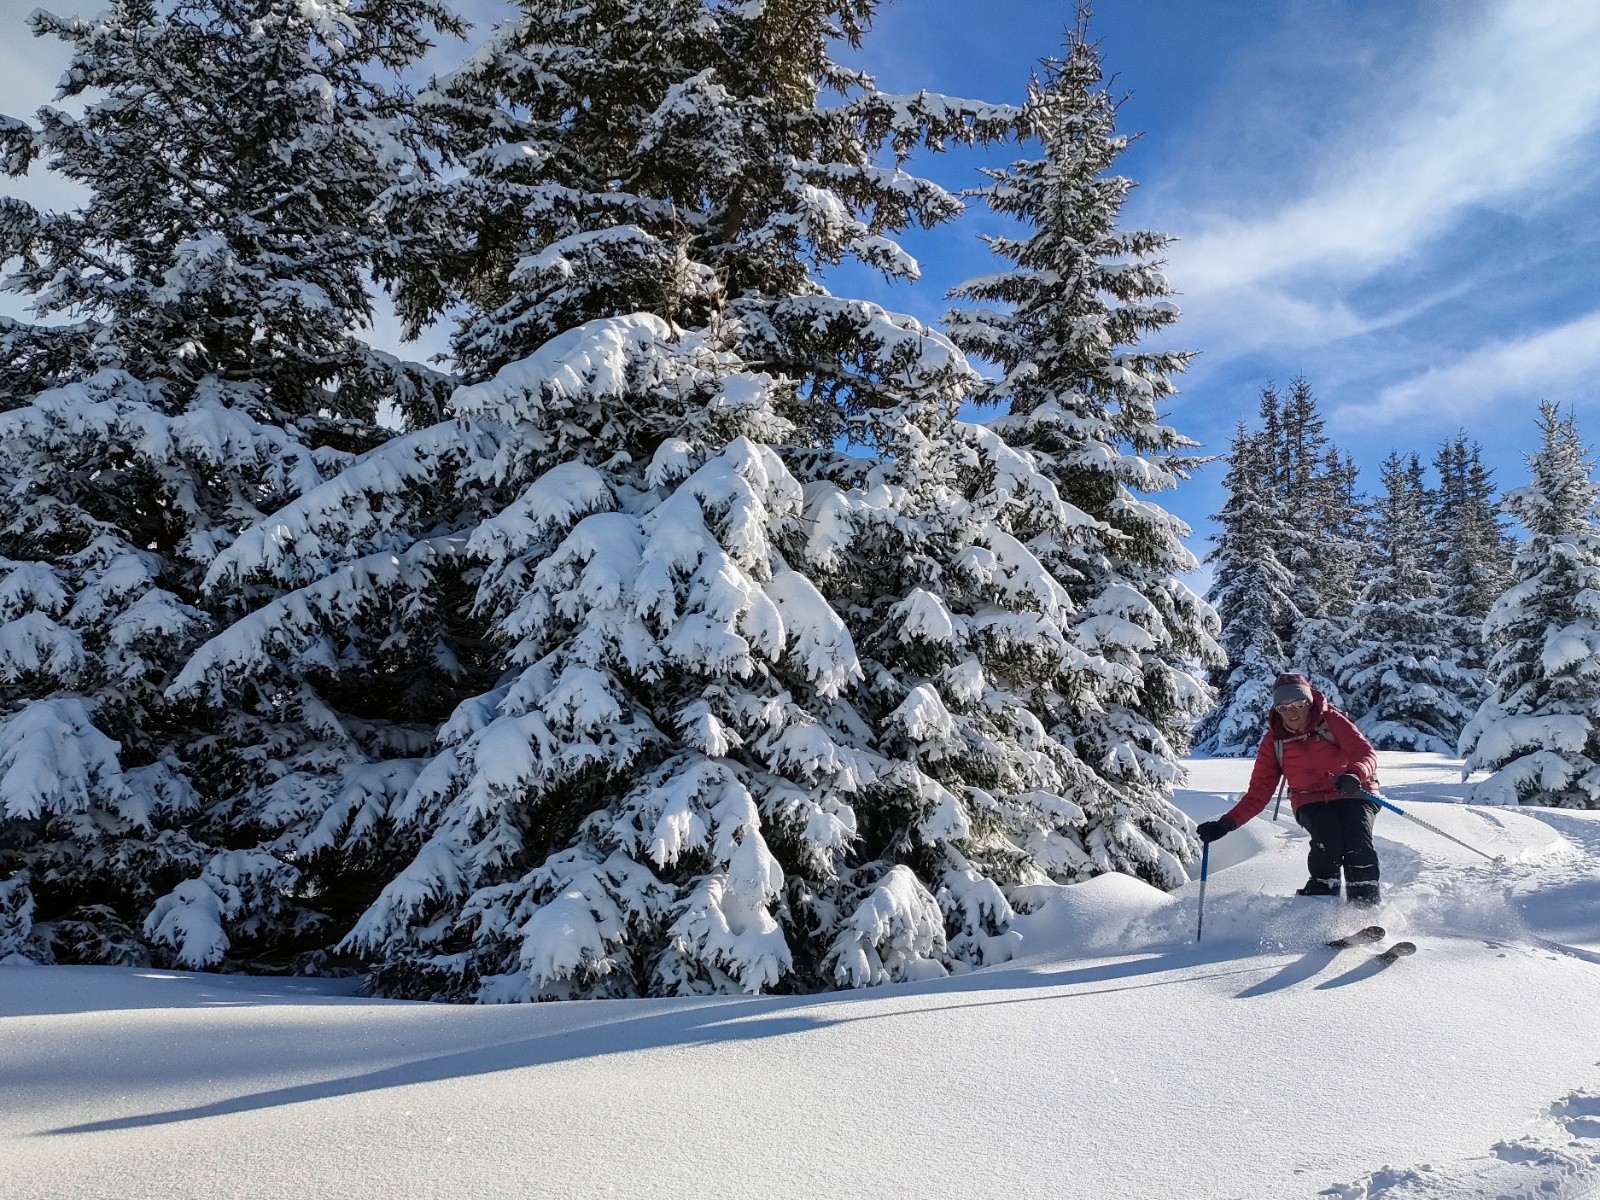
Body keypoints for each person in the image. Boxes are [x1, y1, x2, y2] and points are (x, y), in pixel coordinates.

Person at [1196, 672, 1384, 905]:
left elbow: (1365, 752)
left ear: (1308, 702)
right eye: (1282, 707)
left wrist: (1354, 774)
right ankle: (1319, 909)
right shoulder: (1274, 740)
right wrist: (1225, 824)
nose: (1291, 712)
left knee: (1357, 841)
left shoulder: (1332, 721)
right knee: (1328, 841)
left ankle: (1364, 910)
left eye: (1297, 704)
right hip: (1309, 799)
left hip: (1354, 791)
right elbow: (1259, 792)